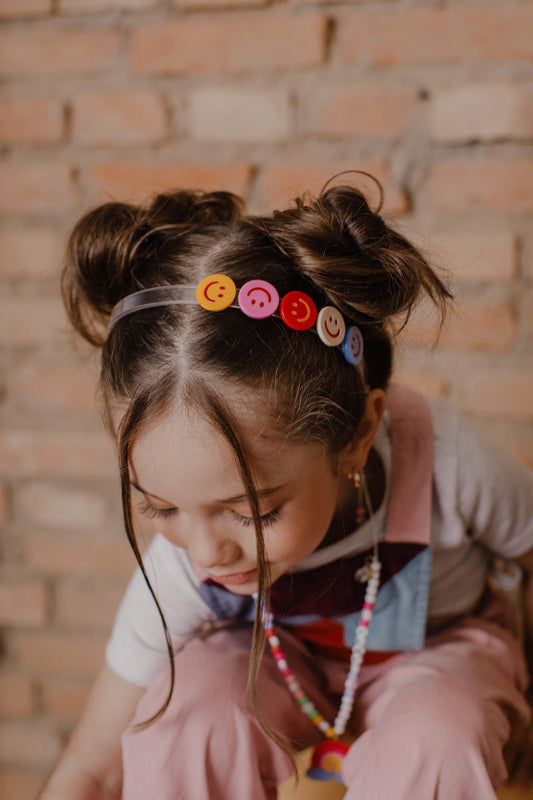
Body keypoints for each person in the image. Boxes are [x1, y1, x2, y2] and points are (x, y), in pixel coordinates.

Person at [40, 178, 533, 800]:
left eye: (251, 512)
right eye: (159, 507)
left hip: (438, 658)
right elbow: (91, 763)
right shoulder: (186, 561)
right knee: (188, 714)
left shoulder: (451, 464)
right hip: (273, 667)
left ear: (357, 434)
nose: (205, 553)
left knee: (436, 739)